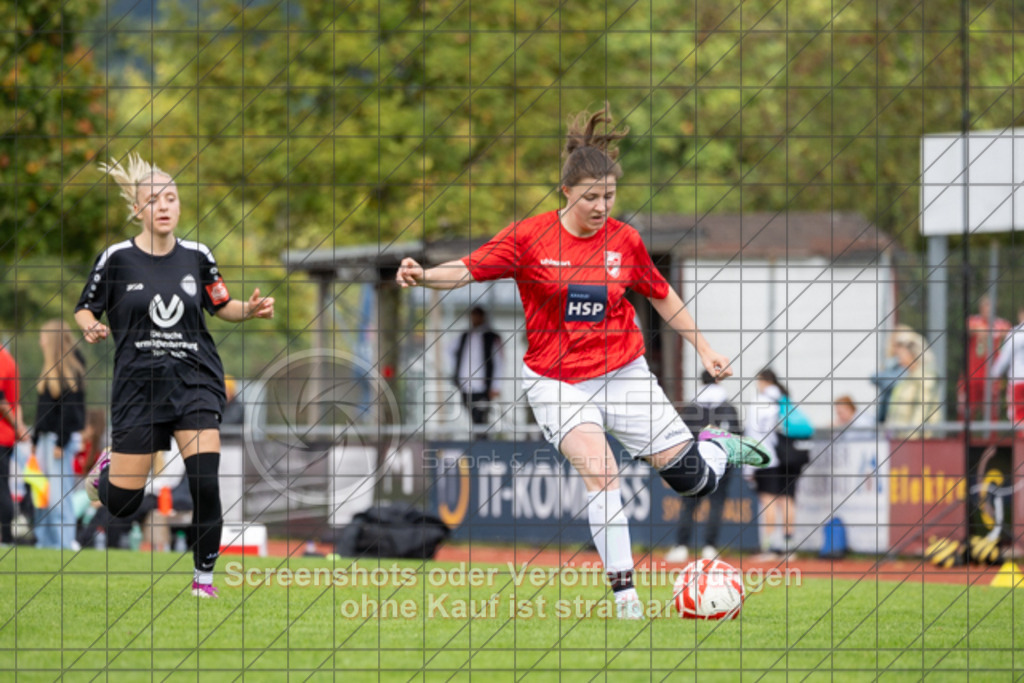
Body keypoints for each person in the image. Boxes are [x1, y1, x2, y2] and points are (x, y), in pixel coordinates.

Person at [396, 105, 769, 619]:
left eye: (609, 196)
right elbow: (469, 268)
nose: (600, 206)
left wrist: (706, 348)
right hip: (557, 383)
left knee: (697, 483)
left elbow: (662, 296)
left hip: (626, 373)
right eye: (591, 196)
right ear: (566, 192)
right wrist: (422, 276)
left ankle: (717, 448)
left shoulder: (625, 240)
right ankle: (627, 601)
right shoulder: (530, 238)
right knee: (603, 472)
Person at [74, 153, 274, 597]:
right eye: (153, 200)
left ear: (179, 206)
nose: (164, 206)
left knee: (204, 480)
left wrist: (252, 309)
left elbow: (222, 306)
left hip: (195, 381)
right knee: (123, 505)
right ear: (139, 210)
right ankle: (106, 472)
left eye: (171, 198)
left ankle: (202, 581)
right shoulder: (116, 258)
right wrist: (90, 324)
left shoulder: (198, 256)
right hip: (138, 389)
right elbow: (85, 307)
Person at [666, 370, 742, 563]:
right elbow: (736, 437)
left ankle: (681, 547)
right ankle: (710, 547)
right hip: (721, 462)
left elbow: (680, 437)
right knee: (716, 504)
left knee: (688, 504)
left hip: (694, 462)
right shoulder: (727, 406)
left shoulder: (692, 407)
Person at [31, 320, 87, 550]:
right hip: (44, 441)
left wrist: (61, 441)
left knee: (59, 495)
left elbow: (72, 412)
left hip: (58, 442)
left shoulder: (70, 371)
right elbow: (42, 413)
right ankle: (45, 541)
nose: (40, 341)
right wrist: (35, 441)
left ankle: (64, 542)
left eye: (43, 336)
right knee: (41, 493)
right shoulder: (49, 370)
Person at [746, 368, 809, 558]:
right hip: (789, 456)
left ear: (763, 381)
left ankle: (770, 546)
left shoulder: (760, 402)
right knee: (787, 499)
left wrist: (749, 466)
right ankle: (789, 545)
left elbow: (753, 435)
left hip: (768, 458)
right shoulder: (783, 399)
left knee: (769, 500)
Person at [450, 306, 503, 432]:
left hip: (483, 386)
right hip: (466, 385)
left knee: (481, 417)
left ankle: (482, 444)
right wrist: (456, 373)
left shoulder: (491, 337)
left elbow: (499, 362)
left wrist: (496, 385)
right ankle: (477, 441)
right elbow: (449, 351)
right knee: (471, 415)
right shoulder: (464, 336)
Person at [961, 295, 1012, 421]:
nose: (988, 309)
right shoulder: (973, 321)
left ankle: (992, 440)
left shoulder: (1002, 324)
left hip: (991, 375)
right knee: (967, 410)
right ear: (981, 308)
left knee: (992, 410)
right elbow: (971, 329)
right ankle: (964, 439)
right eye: (986, 306)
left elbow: (1010, 334)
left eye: (991, 306)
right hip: (972, 374)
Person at [0, 339, 31, 546]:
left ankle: (6, 537)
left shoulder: (2, 359)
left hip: (2, 435)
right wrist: (19, 426)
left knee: (2, 488)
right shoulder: (9, 360)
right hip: (6, 435)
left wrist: (18, 427)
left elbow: (2, 400)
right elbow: (15, 403)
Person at [886, 331, 942, 439]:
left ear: (912, 353)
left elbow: (922, 411)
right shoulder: (906, 380)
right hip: (901, 442)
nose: (898, 359)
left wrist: (910, 440)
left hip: (918, 444)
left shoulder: (925, 377)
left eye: (901, 354)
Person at [991, 304, 1024, 428]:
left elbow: (1005, 358)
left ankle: (1021, 445)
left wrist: (994, 374)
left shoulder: (1015, 333)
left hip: (1017, 381)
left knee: (1017, 417)